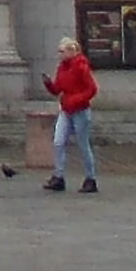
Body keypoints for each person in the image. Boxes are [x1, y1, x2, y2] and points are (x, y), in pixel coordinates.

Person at [45, 37, 99, 193]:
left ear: (71, 51)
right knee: (58, 141)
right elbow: (57, 89)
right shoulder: (62, 67)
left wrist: (76, 100)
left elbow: (92, 89)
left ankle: (90, 178)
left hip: (80, 110)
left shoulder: (81, 66)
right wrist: (49, 84)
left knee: (83, 145)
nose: (59, 54)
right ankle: (58, 176)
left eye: (62, 51)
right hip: (66, 109)